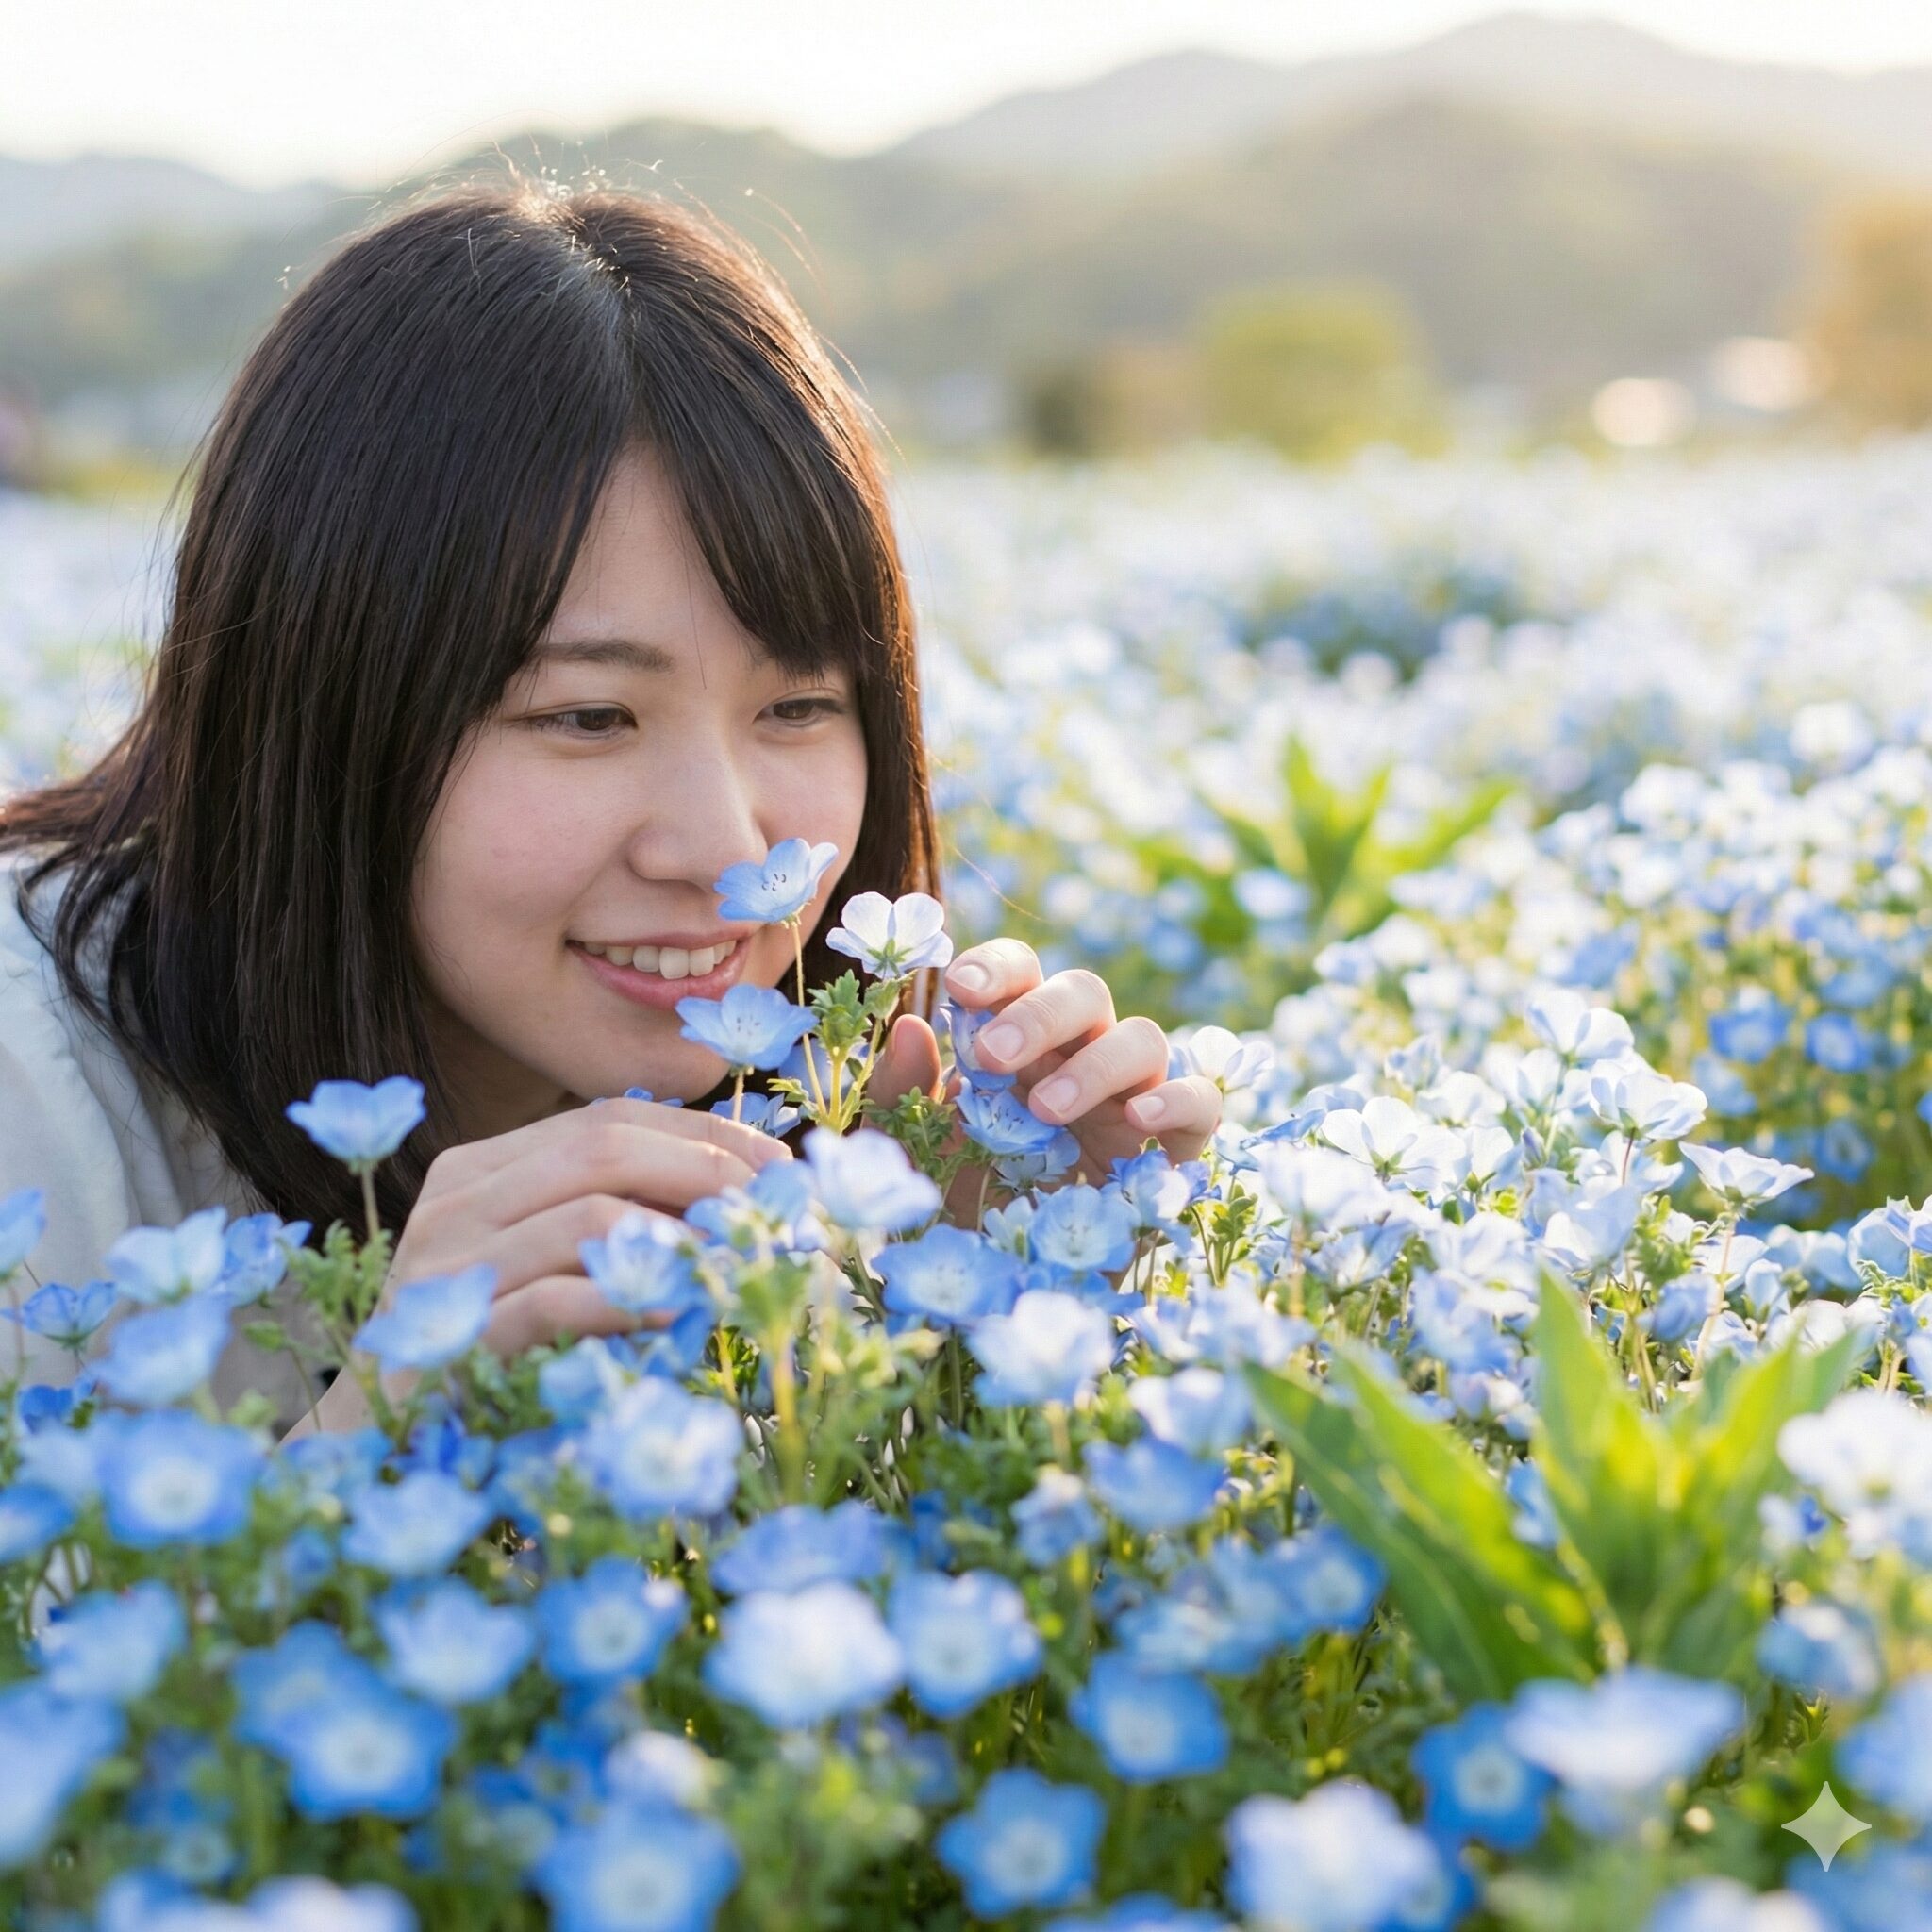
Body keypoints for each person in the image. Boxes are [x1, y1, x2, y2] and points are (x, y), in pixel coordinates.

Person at [0, 180, 1224, 1438]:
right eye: (588, 718)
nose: (726, 848)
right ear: (321, 704)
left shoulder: (828, 1115)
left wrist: (978, 1314)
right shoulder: (25, 1098)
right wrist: (358, 1455)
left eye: (799, 706)